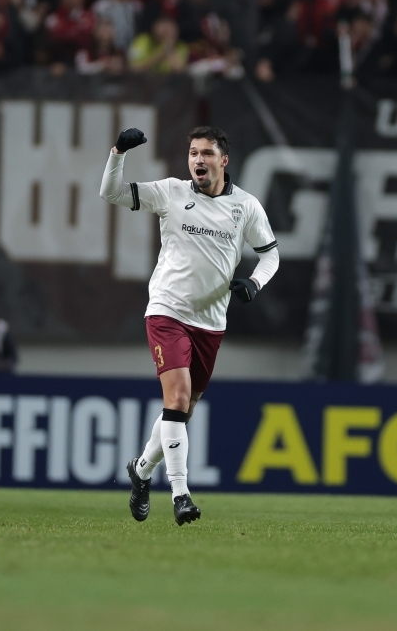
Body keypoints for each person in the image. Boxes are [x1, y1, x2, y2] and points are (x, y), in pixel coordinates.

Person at [99, 126, 279, 526]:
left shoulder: (245, 207)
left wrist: (254, 282)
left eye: (206, 153)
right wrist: (118, 153)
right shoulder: (171, 192)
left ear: (223, 161)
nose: (198, 160)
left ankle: (141, 470)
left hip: (211, 323)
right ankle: (181, 494)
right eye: (193, 153)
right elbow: (110, 193)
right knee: (177, 399)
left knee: (182, 409)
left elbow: (270, 255)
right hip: (167, 311)